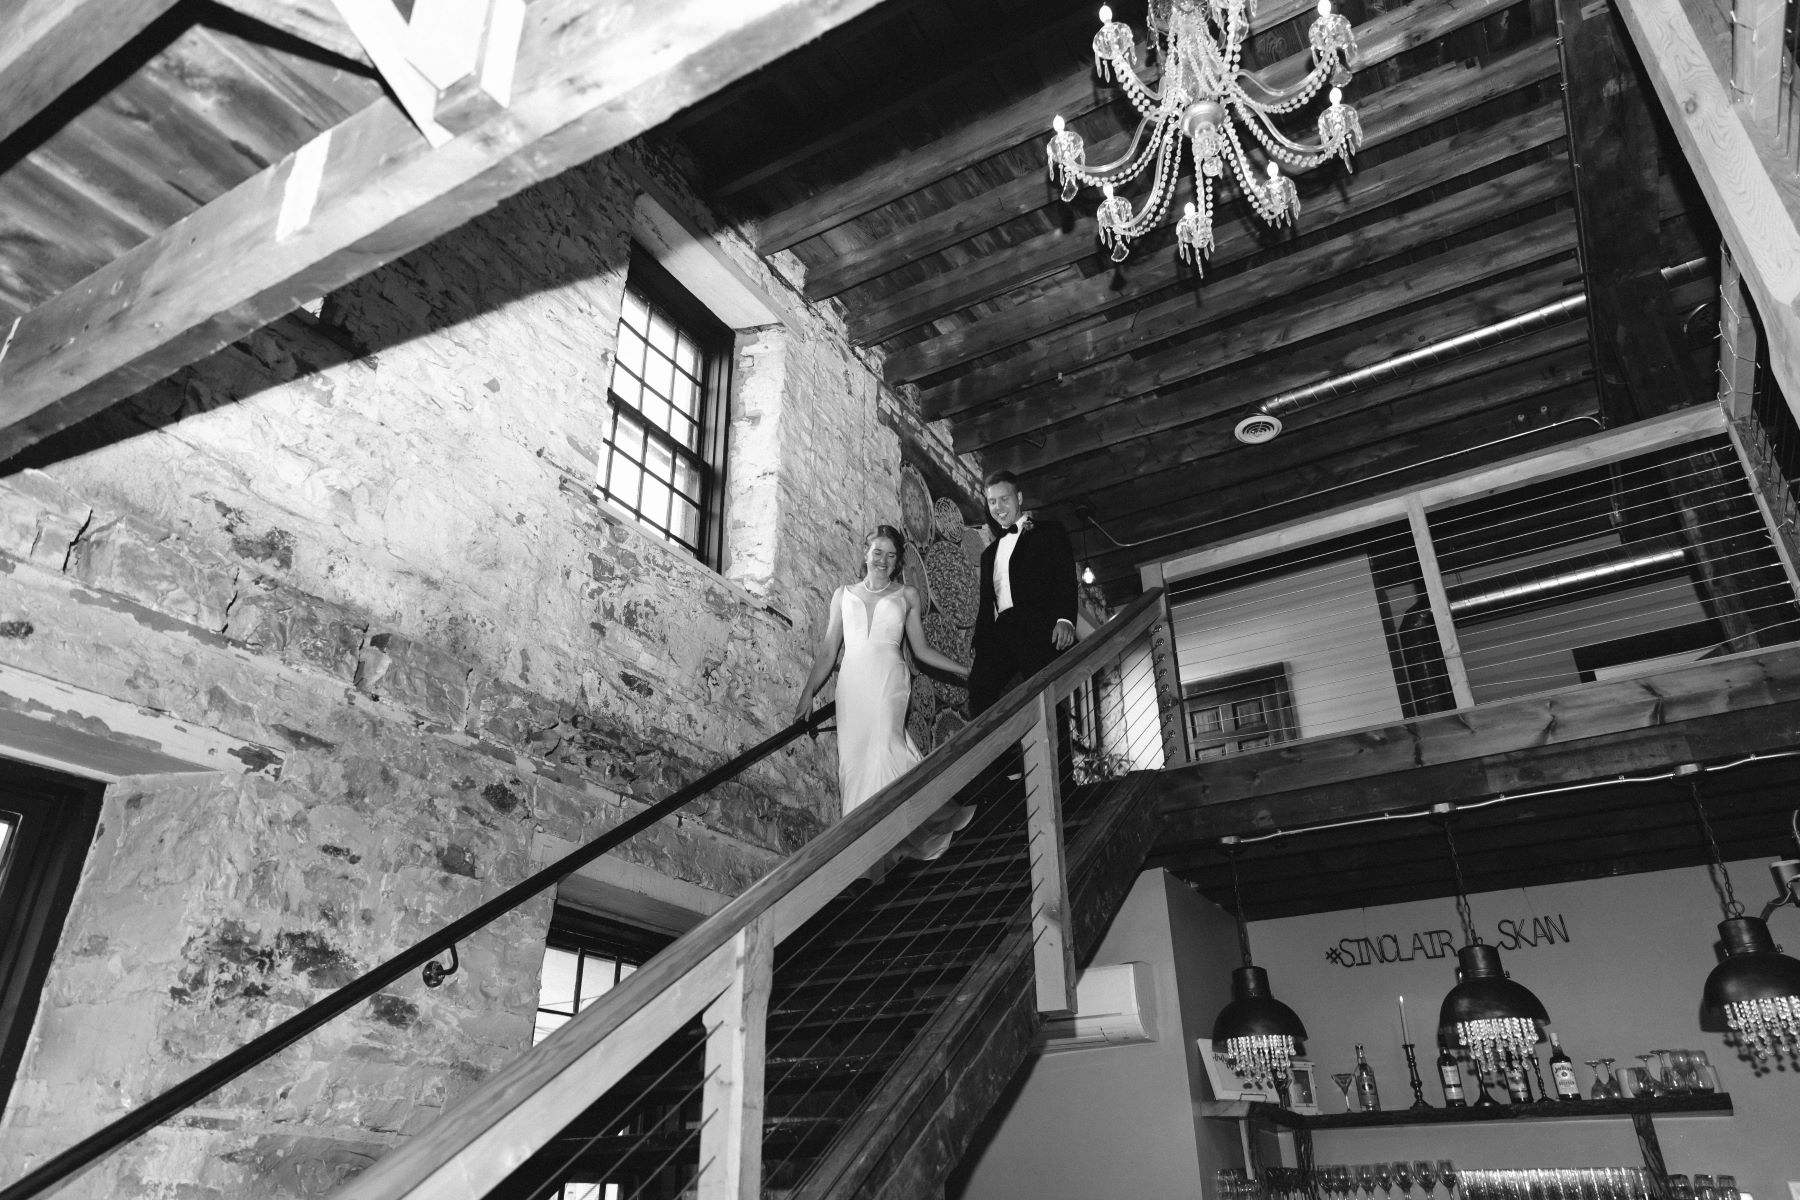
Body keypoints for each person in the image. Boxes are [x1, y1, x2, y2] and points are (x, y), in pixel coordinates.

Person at [793, 525, 974, 861]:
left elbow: (920, 650)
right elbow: (829, 651)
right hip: (852, 684)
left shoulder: (907, 596)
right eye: (878, 552)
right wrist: (808, 694)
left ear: (898, 562)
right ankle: (862, 851)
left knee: (886, 747)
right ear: (866, 552)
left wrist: (963, 670)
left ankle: (910, 818)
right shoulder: (842, 595)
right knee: (854, 763)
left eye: (891, 556)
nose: (883, 560)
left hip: (890, 679)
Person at [969, 470, 1078, 716]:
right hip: (1002, 628)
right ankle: (994, 754)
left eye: (1004, 499)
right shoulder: (988, 555)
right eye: (992, 501)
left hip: (1039, 625)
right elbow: (987, 604)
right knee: (979, 688)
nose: (998, 507)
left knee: (1045, 697)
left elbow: (1065, 577)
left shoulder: (1049, 531)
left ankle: (1057, 751)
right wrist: (980, 642)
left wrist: (1065, 619)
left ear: (1019, 497)